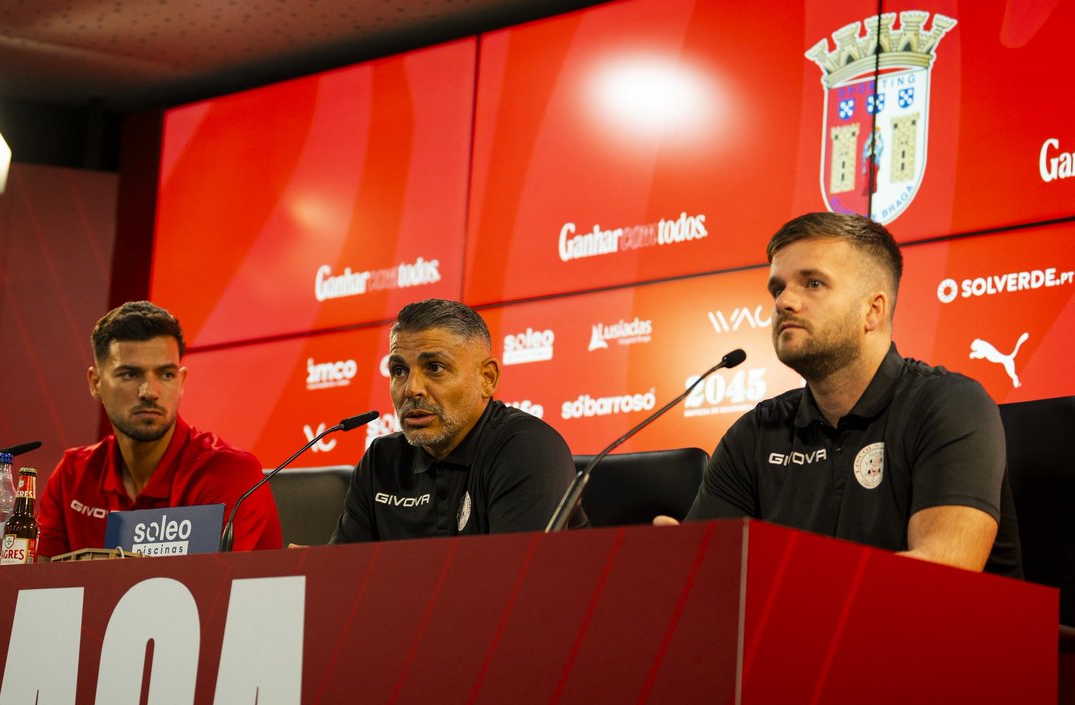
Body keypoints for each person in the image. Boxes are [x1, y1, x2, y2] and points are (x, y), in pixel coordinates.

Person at [661, 212, 1022, 576]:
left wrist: (773, 582)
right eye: (777, 289)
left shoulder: (949, 405)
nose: (784, 302)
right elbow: (706, 582)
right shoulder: (755, 434)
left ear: (873, 311)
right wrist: (683, 567)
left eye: (813, 283)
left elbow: (939, 576)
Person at [36, 301, 281, 558]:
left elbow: (222, 592)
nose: (150, 392)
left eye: (165, 375)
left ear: (181, 381)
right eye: (130, 375)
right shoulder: (72, 476)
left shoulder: (229, 474)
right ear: (96, 383)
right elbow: (41, 589)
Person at [330, 299, 587, 542]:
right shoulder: (381, 461)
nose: (411, 389)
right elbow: (346, 575)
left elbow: (515, 581)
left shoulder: (529, 449)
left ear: (487, 378)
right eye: (399, 371)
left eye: (434, 367)